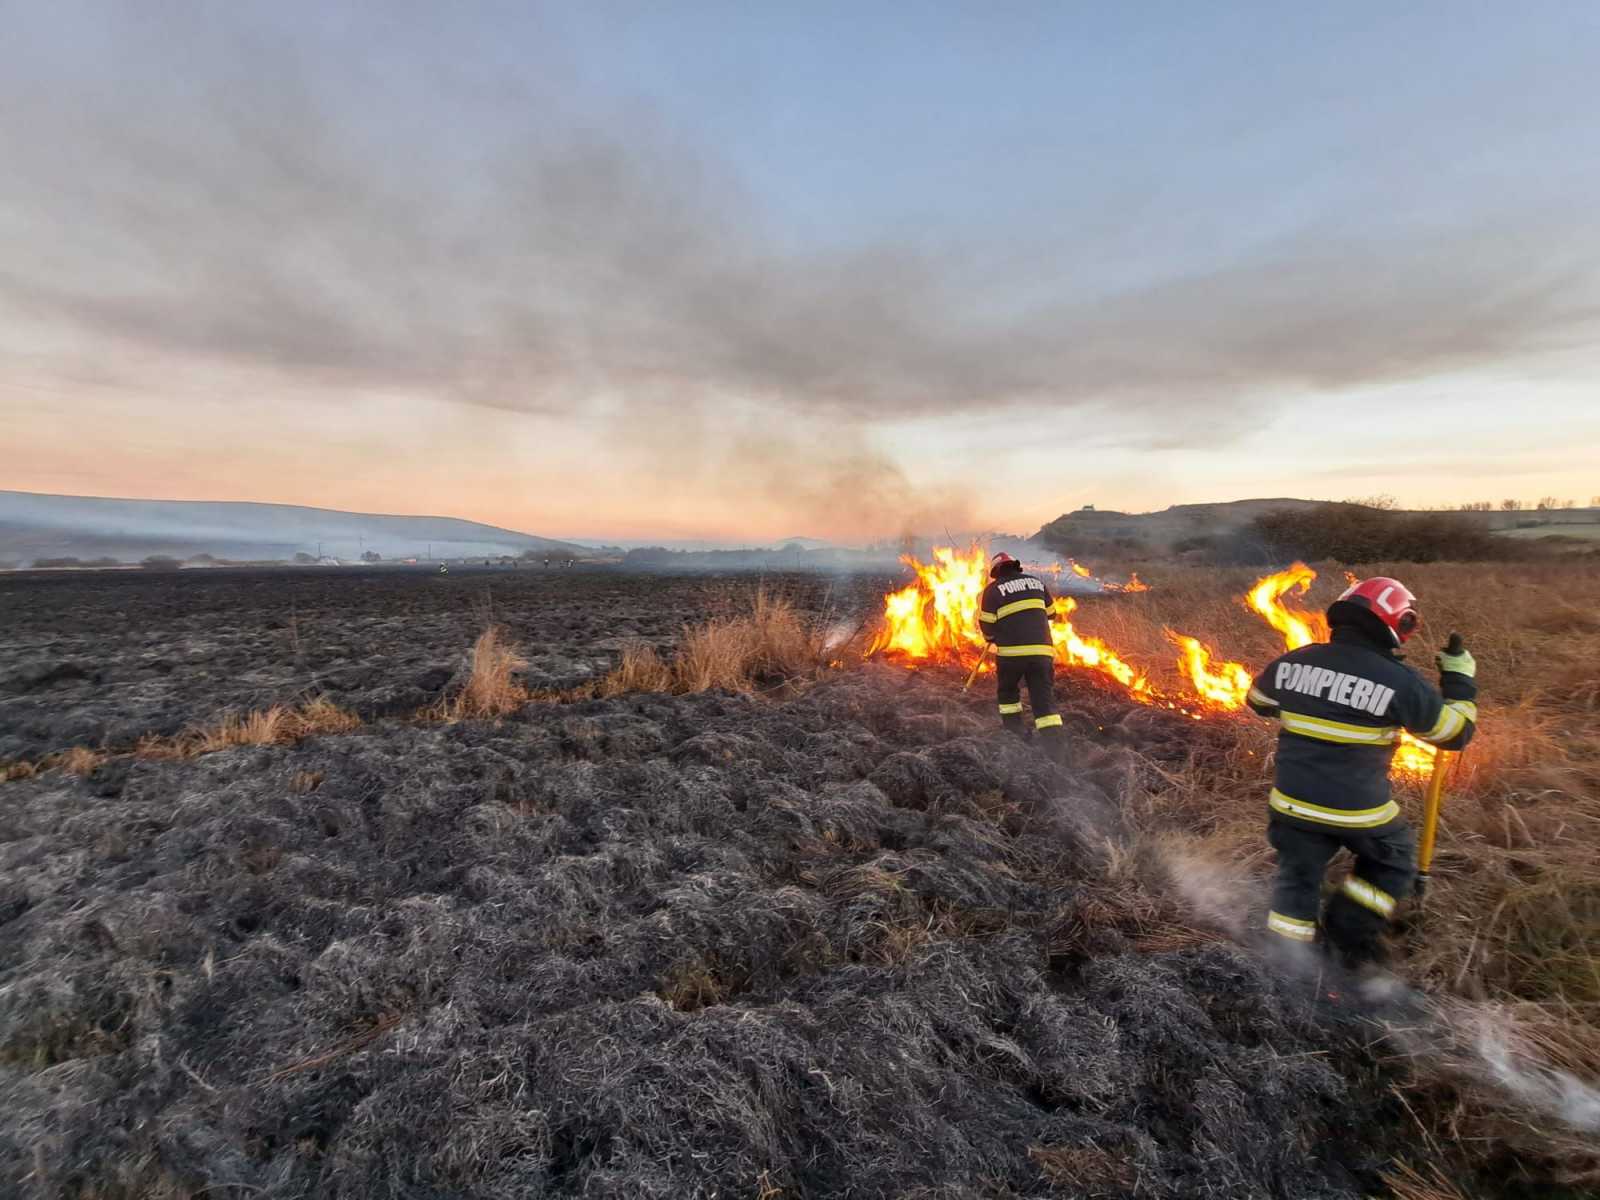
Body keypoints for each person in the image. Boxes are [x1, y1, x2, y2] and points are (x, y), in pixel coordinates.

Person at [1246, 577, 1478, 969]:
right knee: (1392, 860)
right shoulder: (1401, 682)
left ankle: (1288, 966)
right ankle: (1345, 935)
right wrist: (1459, 681)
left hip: (1291, 806)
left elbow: (1258, 702)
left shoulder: (1295, 660)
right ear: (1397, 624)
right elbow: (1454, 734)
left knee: (1297, 877)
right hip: (1359, 812)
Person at [978, 552, 1067, 763]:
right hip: (1042, 653)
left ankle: (1015, 735)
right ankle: (1055, 749)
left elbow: (987, 623)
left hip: (1012, 654)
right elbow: (1052, 613)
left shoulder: (992, 590)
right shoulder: (1036, 583)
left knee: (1008, 694)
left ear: (996, 572)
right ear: (1016, 567)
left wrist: (992, 637)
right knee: (1043, 701)